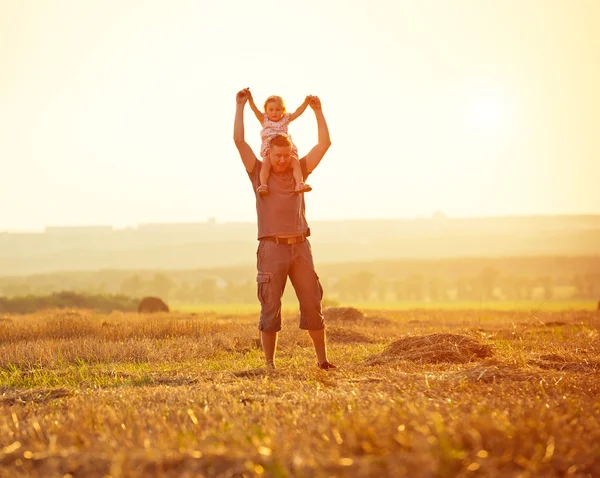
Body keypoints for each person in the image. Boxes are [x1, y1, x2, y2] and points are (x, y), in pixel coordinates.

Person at [233, 87, 336, 371]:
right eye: (276, 156)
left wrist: (317, 111)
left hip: (301, 248)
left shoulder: (298, 169)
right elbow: (239, 141)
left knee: (313, 303)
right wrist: (241, 106)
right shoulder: (258, 174)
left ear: (291, 153)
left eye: (285, 155)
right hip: (271, 248)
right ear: (270, 154)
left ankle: (323, 361)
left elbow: (324, 144)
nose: (280, 160)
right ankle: (269, 364)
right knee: (270, 308)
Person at [246, 90, 312, 196]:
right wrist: (249, 99)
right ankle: (263, 185)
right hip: (270, 149)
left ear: (283, 111)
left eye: (277, 110)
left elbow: (298, 112)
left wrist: (306, 102)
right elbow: (254, 109)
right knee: (265, 163)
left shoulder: (285, 119)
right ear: (266, 111)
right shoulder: (264, 119)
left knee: (295, 162)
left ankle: (299, 184)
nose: (274, 112)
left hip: (284, 148)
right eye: (271, 110)